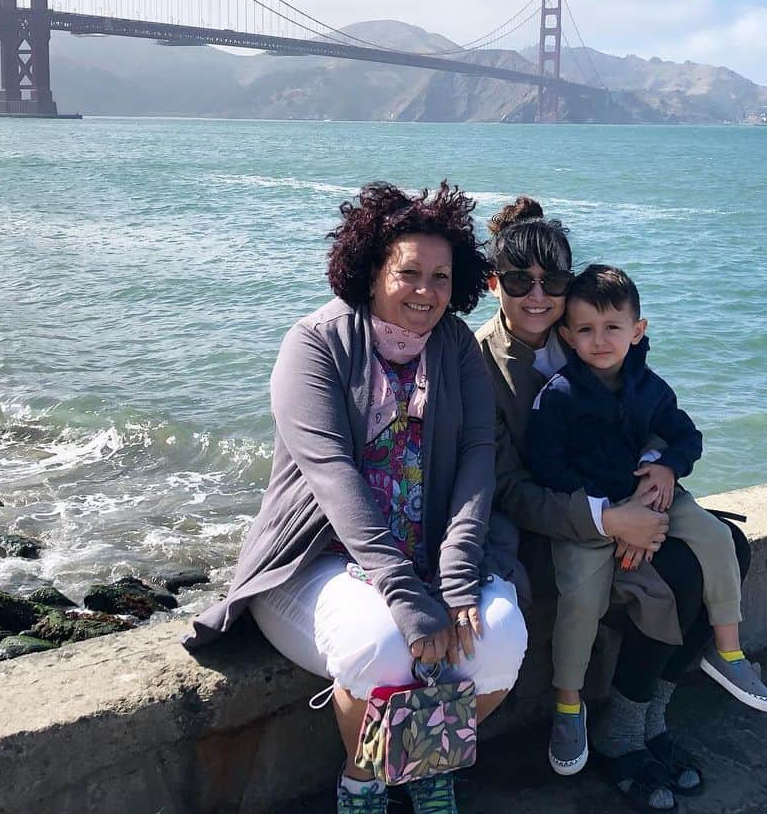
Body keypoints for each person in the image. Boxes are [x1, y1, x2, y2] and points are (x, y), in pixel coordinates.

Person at [184, 182, 528, 814]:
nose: (427, 291)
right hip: (317, 557)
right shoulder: (314, 343)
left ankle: (423, 765)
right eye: (410, 273)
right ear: (372, 272)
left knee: (500, 639)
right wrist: (404, 590)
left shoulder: (454, 346)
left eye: (442, 277)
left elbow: (479, 458)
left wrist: (454, 581)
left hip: (431, 553)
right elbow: (332, 476)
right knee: (385, 646)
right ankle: (362, 781)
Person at [477, 198, 752, 813]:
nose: (538, 297)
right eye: (520, 282)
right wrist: (610, 519)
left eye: (554, 282)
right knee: (676, 576)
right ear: (496, 283)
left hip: (625, 499)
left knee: (728, 548)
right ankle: (619, 734)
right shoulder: (481, 368)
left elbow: (645, 411)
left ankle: (647, 721)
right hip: (550, 530)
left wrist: (658, 468)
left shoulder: (589, 331)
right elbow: (509, 488)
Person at [527, 264, 767, 732]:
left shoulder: (651, 388)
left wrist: (667, 467)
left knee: (718, 537)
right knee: (580, 598)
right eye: (585, 330)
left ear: (637, 330)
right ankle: (568, 702)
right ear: (567, 335)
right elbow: (547, 468)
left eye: (612, 328)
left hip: (655, 495)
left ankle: (729, 651)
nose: (599, 340)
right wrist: (610, 514)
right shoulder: (558, 397)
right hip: (593, 513)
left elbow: (688, 437)